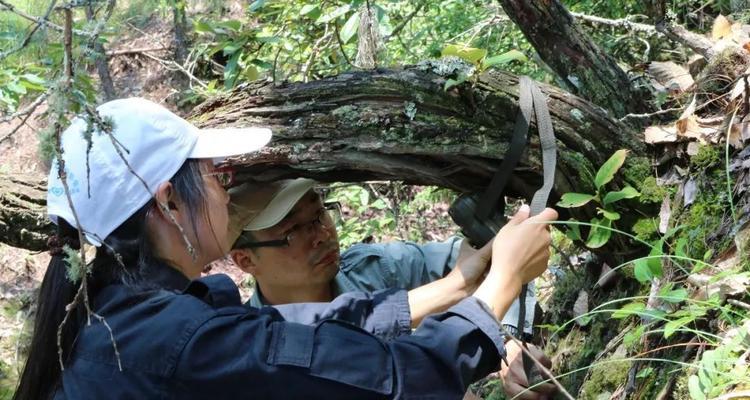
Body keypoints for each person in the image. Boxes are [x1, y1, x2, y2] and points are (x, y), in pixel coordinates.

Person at [14, 97, 558, 400]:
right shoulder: (177, 341)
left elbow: (307, 329)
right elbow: (390, 379)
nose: (225, 194)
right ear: (170, 203)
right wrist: (501, 286)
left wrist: (461, 284)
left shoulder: (118, 312)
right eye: (214, 177)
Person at [227, 178, 557, 399]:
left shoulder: (373, 270)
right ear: (245, 261)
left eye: (319, 214)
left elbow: (493, 260)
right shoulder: (255, 353)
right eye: (293, 231)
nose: (321, 234)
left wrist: (507, 344)